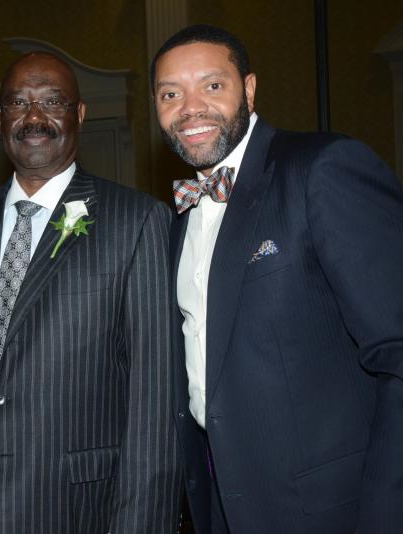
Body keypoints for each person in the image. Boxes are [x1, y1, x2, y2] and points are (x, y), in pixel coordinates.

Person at [152, 24, 403, 534]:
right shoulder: (176, 220)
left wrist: (386, 514)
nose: (190, 107)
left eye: (212, 86)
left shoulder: (322, 169)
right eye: (171, 94)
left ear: (248, 88)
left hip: (332, 510)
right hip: (224, 507)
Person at [0, 51, 181, 534]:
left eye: (53, 101)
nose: (35, 117)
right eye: (18, 103)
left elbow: (154, 400)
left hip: (84, 511)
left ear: (80, 114)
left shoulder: (135, 222)